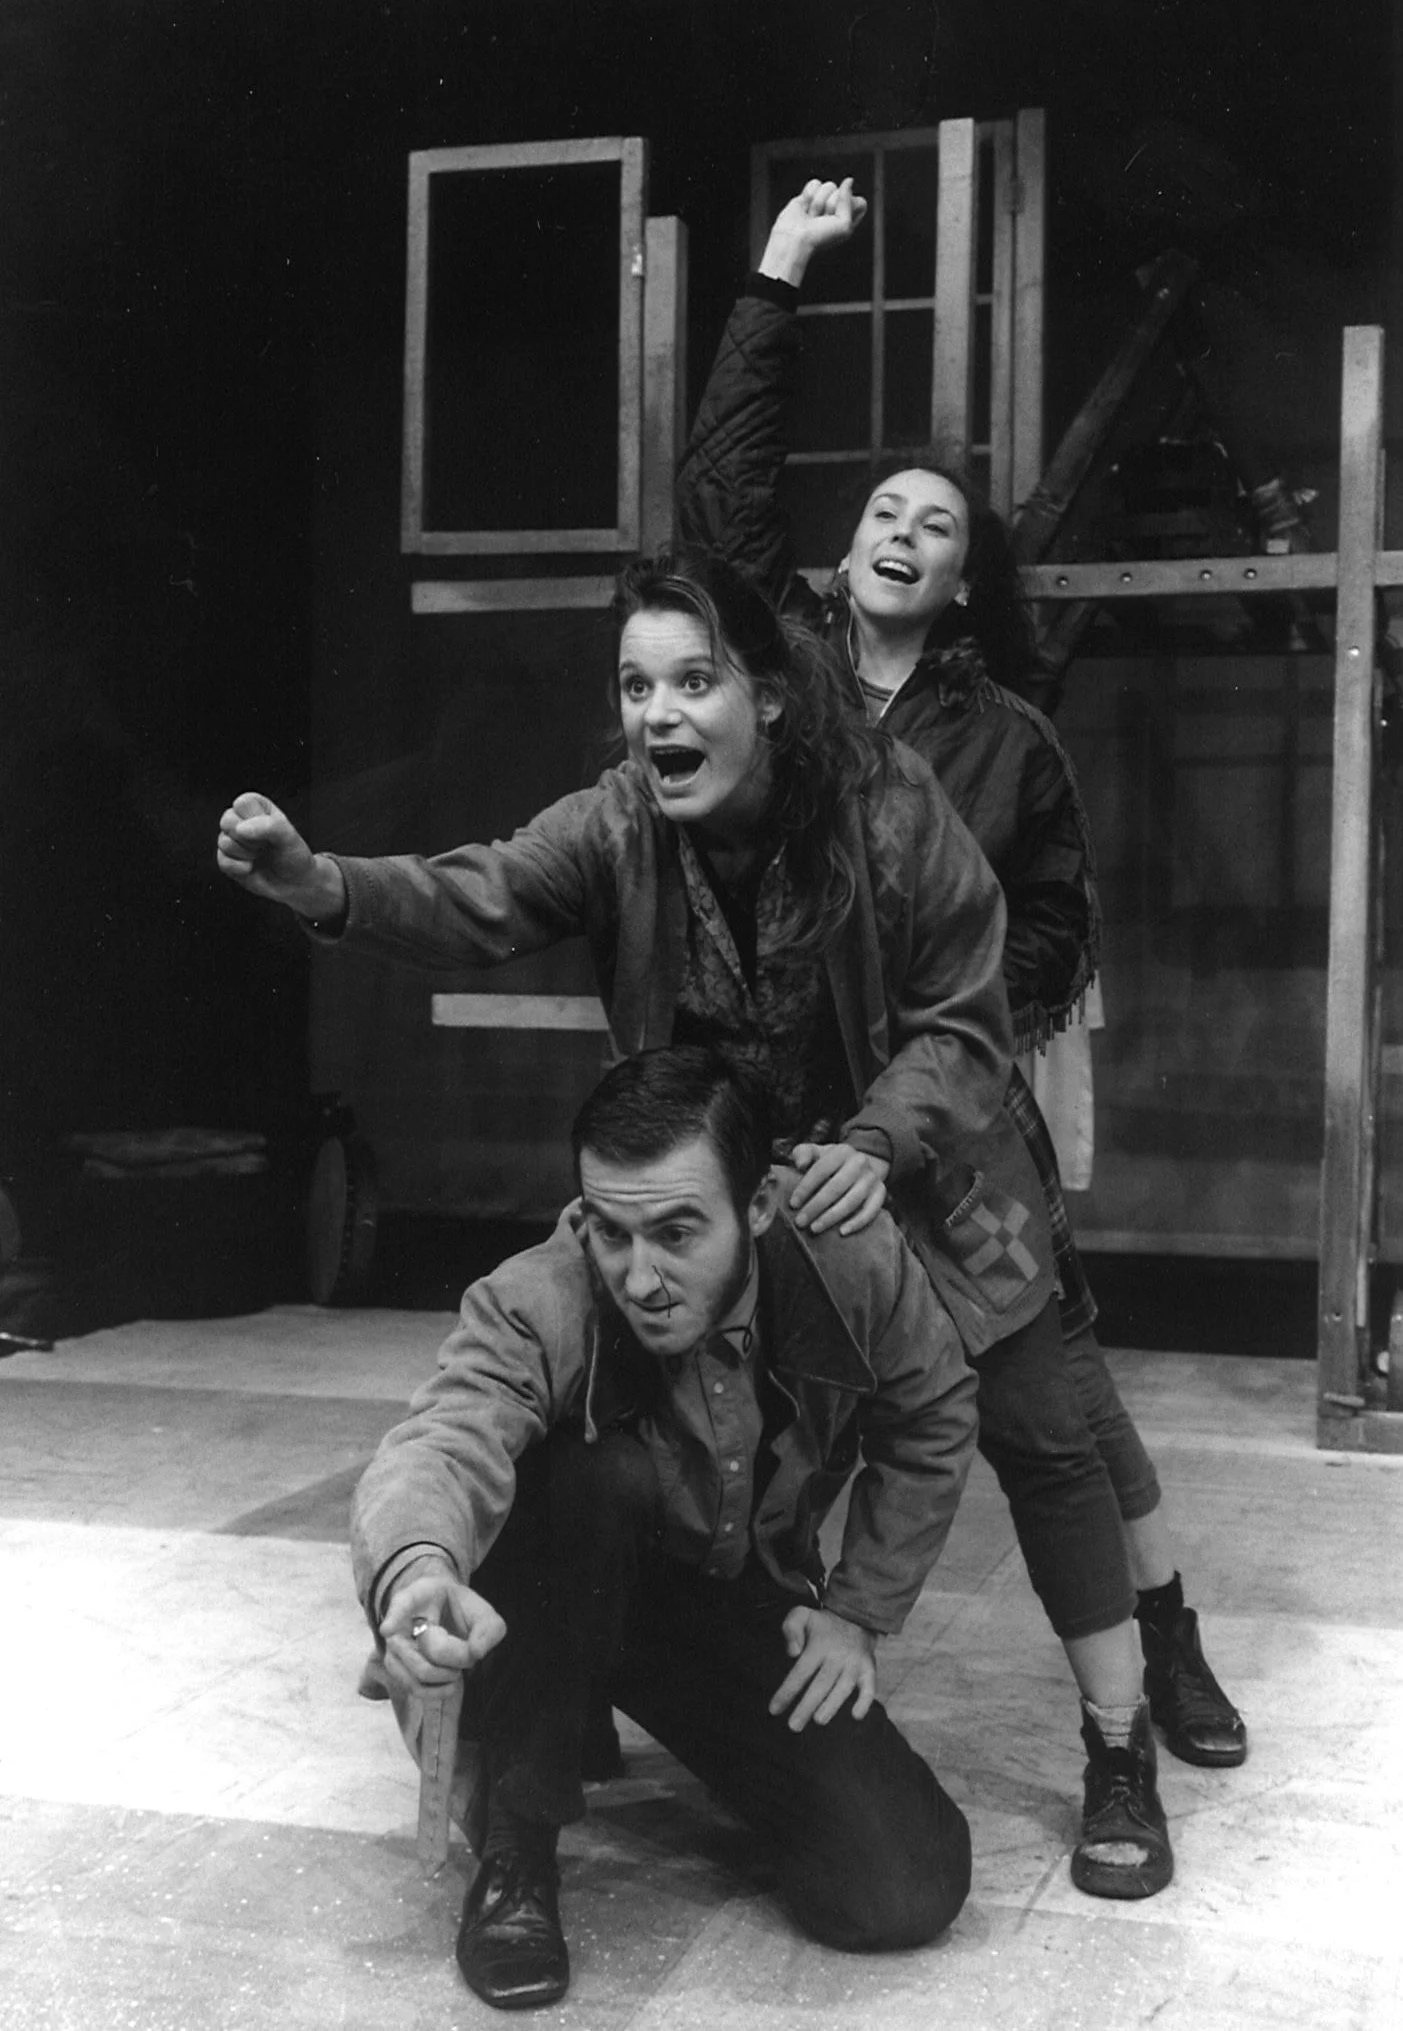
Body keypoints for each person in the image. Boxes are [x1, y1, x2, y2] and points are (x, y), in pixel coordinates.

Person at [218, 543, 1174, 1899]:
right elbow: (479, 890)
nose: (657, 711)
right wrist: (323, 884)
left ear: (770, 694)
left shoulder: (887, 808)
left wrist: (872, 1140)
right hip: (711, 1195)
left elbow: (966, 1021)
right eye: (633, 684)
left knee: (1037, 1421)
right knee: (635, 1428)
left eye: (692, 679)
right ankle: (590, 1679)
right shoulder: (619, 820)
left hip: (912, 1162)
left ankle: (1118, 1736)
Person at [675, 174, 1247, 1771]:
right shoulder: (776, 671)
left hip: (945, 1119)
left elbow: (1054, 928)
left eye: (933, 523)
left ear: (959, 576)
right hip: (796, 1121)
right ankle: (772, 1694)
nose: (895, 530)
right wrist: (775, 277)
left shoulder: (1006, 741)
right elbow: (720, 506)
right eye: (878, 511)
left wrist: (960, 1046)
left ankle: (1154, 1656)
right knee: (788, 1408)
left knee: (1045, 1409)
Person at [352, 1045, 978, 2007]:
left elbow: (934, 1413)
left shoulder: (848, 1257)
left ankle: (641, 1703)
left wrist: (857, 1608)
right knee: (586, 1474)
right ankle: (519, 1835)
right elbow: (442, 1435)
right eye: (611, 1230)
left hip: (726, 1596)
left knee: (900, 1884)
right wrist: (417, 1568)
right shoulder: (542, 1293)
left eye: (678, 1232)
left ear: (759, 1205)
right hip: (563, 1582)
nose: (638, 1276)